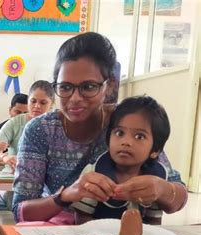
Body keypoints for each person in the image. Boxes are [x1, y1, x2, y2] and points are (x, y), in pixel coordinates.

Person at [12, 32, 186, 224]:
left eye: (88, 87)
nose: (75, 98)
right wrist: (66, 196)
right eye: (65, 87)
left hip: (123, 227)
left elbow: (178, 196)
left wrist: (162, 189)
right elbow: (21, 211)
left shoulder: (128, 124)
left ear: (109, 85)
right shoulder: (40, 129)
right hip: (58, 228)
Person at [72, 96, 185, 225]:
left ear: (156, 150)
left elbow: (154, 222)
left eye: (139, 136)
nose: (126, 142)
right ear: (108, 140)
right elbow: (81, 217)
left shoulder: (155, 180)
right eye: (119, 133)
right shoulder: (94, 173)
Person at [0, 80, 54, 173]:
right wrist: (5, 157)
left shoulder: (56, 126)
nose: (37, 106)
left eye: (43, 103)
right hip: (12, 176)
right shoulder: (15, 123)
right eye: (33, 101)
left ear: (51, 105)